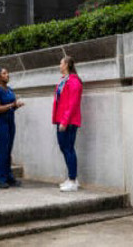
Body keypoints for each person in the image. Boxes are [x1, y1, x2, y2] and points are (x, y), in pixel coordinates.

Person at [52, 55, 83, 192]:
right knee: (64, 148)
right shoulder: (63, 80)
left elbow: (73, 104)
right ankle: (72, 178)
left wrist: (64, 121)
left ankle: (72, 180)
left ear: (67, 65)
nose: (59, 66)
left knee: (69, 148)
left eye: (61, 63)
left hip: (69, 121)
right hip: (61, 119)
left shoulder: (74, 82)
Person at [0, 67, 24, 189]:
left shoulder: (9, 89)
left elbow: (12, 107)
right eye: (4, 73)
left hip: (10, 122)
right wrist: (12, 105)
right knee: (3, 151)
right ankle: (0, 179)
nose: (7, 75)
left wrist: (17, 105)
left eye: (7, 73)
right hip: (0, 123)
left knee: (8, 151)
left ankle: (8, 177)